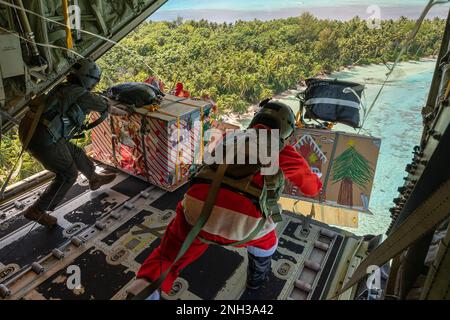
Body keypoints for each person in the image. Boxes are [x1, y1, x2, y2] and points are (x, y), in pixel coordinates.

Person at [126, 100, 323, 300]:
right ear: (284, 131)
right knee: (267, 242)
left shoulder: (228, 137)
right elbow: (311, 189)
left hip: (198, 210)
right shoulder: (285, 152)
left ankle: (143, 289)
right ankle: (256, 279)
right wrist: (316, 180)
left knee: (168, 254)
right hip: (245, 226)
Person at [18, 58, 127, 228]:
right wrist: (126, 112)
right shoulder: (79, 93)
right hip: (43, 137)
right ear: (89, 78)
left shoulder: (63, 88)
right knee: (68, 174)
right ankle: (37, 210)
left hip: (35, 130)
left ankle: (94, 178)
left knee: (75, 152)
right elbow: (106, 107)